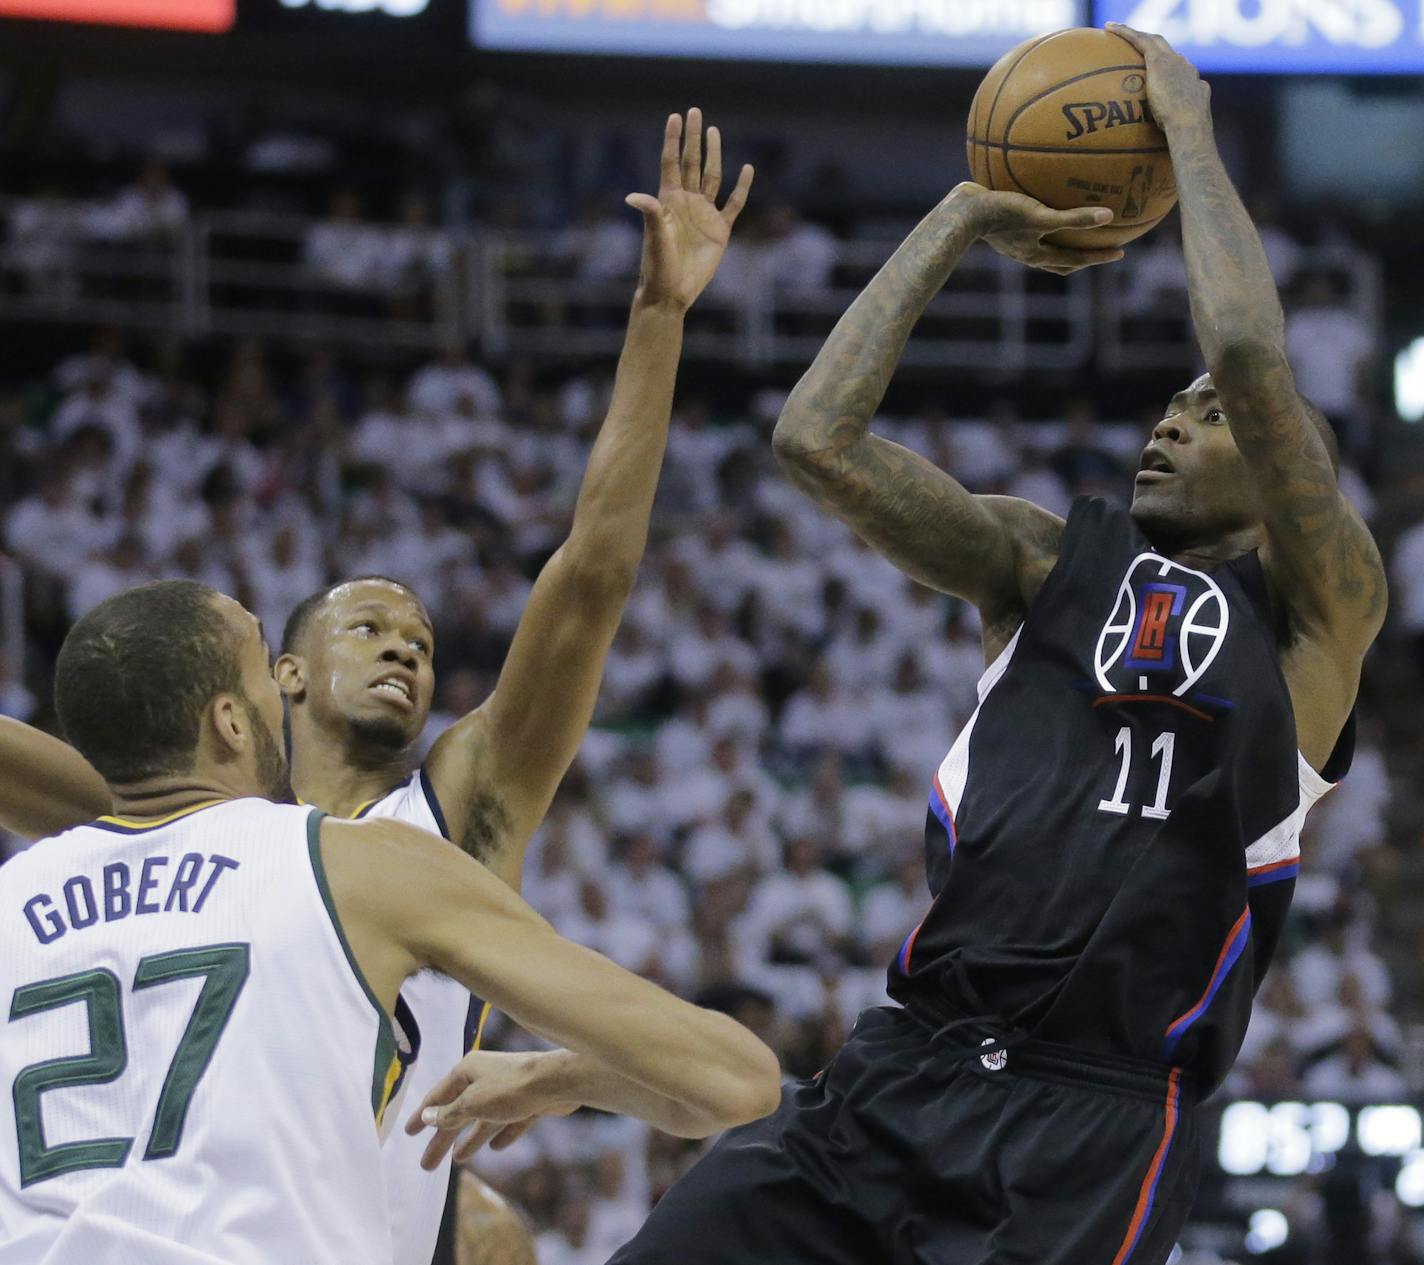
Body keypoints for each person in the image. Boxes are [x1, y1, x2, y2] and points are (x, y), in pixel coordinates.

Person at [548, 29, 1374, 1265]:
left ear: (1281, 461)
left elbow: (1252, 353)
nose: (1169, 420)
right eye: (1166, 404)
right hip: (896, 1071)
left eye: (1202, 417)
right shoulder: (1047, 561)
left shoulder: (1319, 609)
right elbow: (814, 439)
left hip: (1089, 1122)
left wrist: (1186, 131)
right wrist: (961, 216)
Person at [0, 108, 754, 1265]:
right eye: (367, 623)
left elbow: (590, 577)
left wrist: (658, 320)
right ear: (273, 681)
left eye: (421, 637)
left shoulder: (448, 815)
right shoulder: (163, 816)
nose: (406, 646)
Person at [0, 580, 781, 1265]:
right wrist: (554, 1075)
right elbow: (737, 1078)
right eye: (264, 668)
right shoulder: (357, 862)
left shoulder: (14, 896)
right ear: (234, 723)